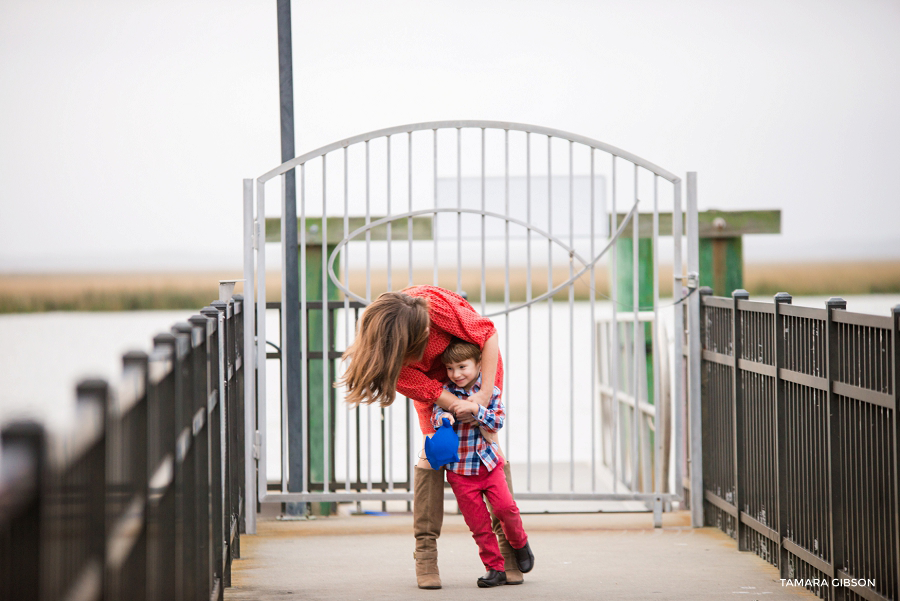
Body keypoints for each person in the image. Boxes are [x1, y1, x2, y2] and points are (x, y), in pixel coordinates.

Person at [338, 286, 523, 589]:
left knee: (491, 449)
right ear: (401, 342)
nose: (427, 329)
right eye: (421, 333)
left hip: (472, 373)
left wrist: (481, 398)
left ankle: (509, 554)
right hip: (433, 389)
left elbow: (488, 334)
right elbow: (431, 392)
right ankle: (426, 556)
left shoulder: (434, 307)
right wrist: (452, 406)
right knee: (433, 456)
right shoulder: (386, 355)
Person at [431, 339, 534, 587]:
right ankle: (494, 568)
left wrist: (476, 410)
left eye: (462, 367)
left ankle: (520, 544)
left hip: (488, 465)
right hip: (460, 472)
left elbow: (497, 423)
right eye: (450, 368)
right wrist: (444, 416)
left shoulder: (491, 393)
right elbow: (435, 418)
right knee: (479, 524)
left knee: (505, 509)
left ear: (479, 364)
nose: (456, 374)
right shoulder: (445, 393)